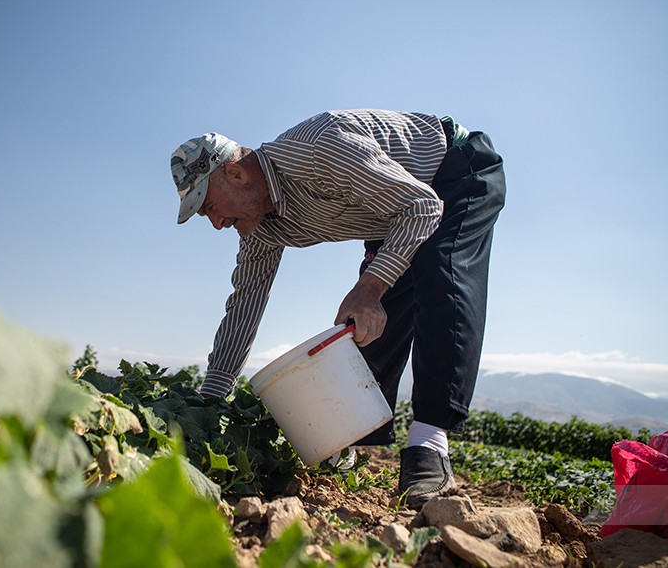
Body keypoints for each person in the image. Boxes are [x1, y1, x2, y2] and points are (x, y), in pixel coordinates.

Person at [169, 109, 505, 509]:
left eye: (209, 206)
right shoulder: (261, 228)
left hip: (452, 171)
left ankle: (429, 444)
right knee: (369, 324)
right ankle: (351, 443)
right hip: (390, 213)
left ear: (236, 173)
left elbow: (422, 206)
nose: (216, 223)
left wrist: (369, 286)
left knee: (441, 270)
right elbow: (244, 308)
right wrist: (209, 406)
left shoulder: (317, 150)